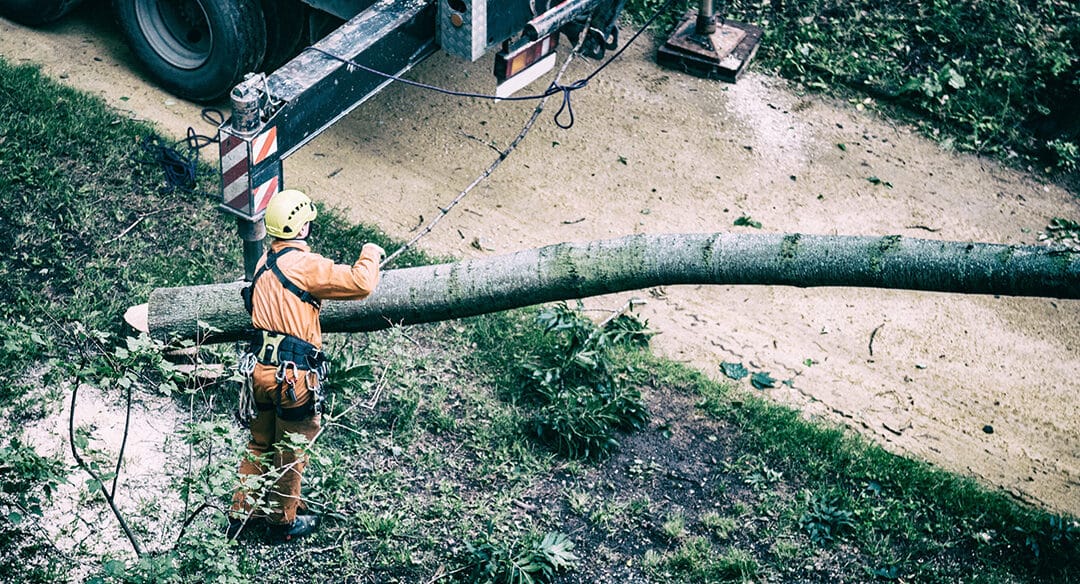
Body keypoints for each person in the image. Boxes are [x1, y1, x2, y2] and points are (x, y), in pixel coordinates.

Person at [228, 189, 384, 542]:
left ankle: (241, 513)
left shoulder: (263, 263)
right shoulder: (306, 265)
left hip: (259, 372)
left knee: (259, 442)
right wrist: (370, 253)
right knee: (290, 450)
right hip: (293, 377)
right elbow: (361, 283)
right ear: (302, 228)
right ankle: (282, 522)